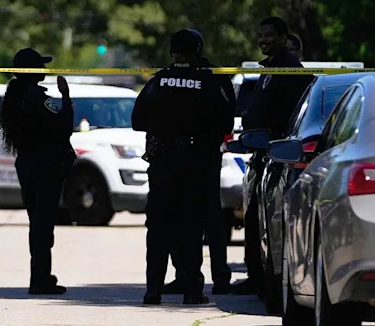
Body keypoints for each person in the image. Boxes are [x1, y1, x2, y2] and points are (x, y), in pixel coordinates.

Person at [132, 29, 236, 305]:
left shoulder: (159, 80)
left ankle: (153, 289)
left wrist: (162, 127)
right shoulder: (209, 80)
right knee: (191, 225)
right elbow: (226, 122)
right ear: (199, 51)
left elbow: (137, 120)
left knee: (158, 227)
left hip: (163, 161)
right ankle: (192, 291)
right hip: (196, 162)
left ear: (172, 53)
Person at [234, 16, 313, 295]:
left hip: (280, 155)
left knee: (271, 223)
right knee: (255, 220)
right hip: (263, 154)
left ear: (282, 37)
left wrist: (258, 123)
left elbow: (287, 114)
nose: (263, 40)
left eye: (268, 35)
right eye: (260, 35)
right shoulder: (271, 69)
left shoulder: (290, 70)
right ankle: (256, 278)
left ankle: (268, 281)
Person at [0, 47, 74, 295]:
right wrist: (66, 97)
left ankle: (40, 275)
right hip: (46, 165)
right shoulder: (38, 99)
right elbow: (63, 127)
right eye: (40, 66)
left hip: (27, 163)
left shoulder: (15, 97)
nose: (44, 69)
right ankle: (40, 278)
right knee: (43, 224)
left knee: (37, 221)